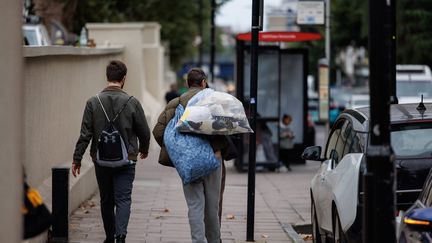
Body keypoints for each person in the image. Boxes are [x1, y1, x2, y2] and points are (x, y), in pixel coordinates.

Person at [72, 60, 151, 243]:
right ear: (123, 79)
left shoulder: (93, 102)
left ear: (107, 77)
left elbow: (85, 134)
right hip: (127, 160)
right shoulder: (132, 102)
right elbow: (144, 132)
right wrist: (144, 149)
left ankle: (109, 237)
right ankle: (120, 236)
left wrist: (77, 159)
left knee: (106, 200)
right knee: (123, 199)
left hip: (101, 160)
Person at [153, 68, 229, 243]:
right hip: (213, 159)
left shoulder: (176, 103)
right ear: (203, 83)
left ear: (188, 84)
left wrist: (178, 152)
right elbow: (226, 128)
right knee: (212, 206)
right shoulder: (213, 101)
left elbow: (158, 132)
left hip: (189, 162)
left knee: (195, 206)